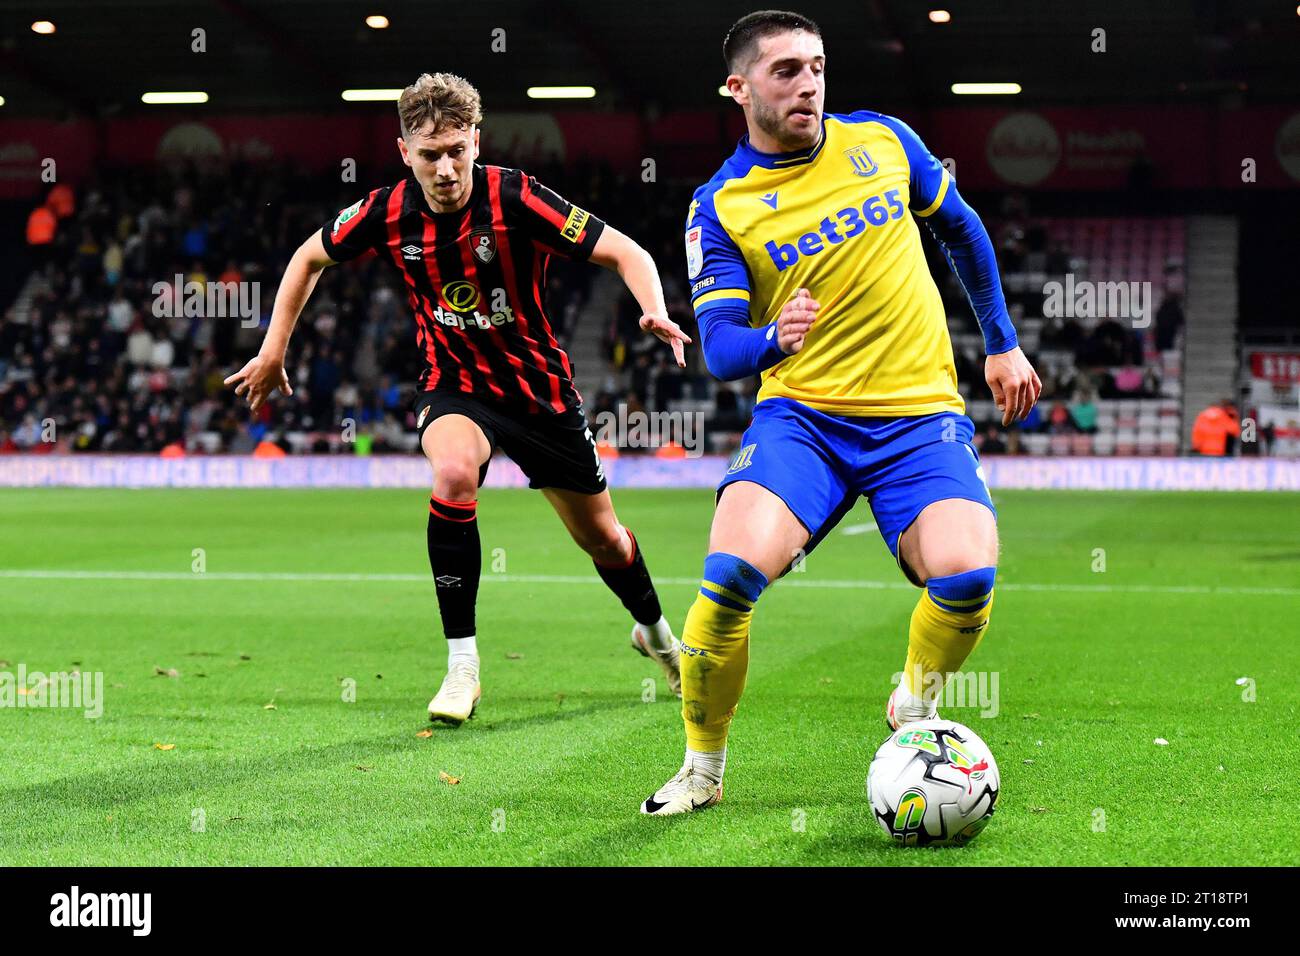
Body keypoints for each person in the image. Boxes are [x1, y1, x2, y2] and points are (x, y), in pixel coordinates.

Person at [641, 10, 1041, 814]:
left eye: (817, 67)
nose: (809, 84)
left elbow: (962, 232)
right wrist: (770, 342)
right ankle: (702, 770)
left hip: (918, 417)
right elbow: (717, 347)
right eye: (786, 70)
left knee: (968, 573)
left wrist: (1001, 342)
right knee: (725, 582)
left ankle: (915, 704)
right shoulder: (721, 204)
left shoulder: (885, 142)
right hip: (803, 422)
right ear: (739, 86)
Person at [225, 72, 692, 725]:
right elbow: (308, 257)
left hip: (539, 393)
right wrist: (273, 349)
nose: (445, 169)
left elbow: (627, 251)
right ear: (403, 151)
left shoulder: (518, 197)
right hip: (455, 384)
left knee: (606, 541)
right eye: (429, 154)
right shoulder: (386, 212)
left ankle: (658, 637)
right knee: (450, 474)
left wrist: (652, 309)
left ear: (477, 140)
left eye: (456, 151)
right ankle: (462, 666)